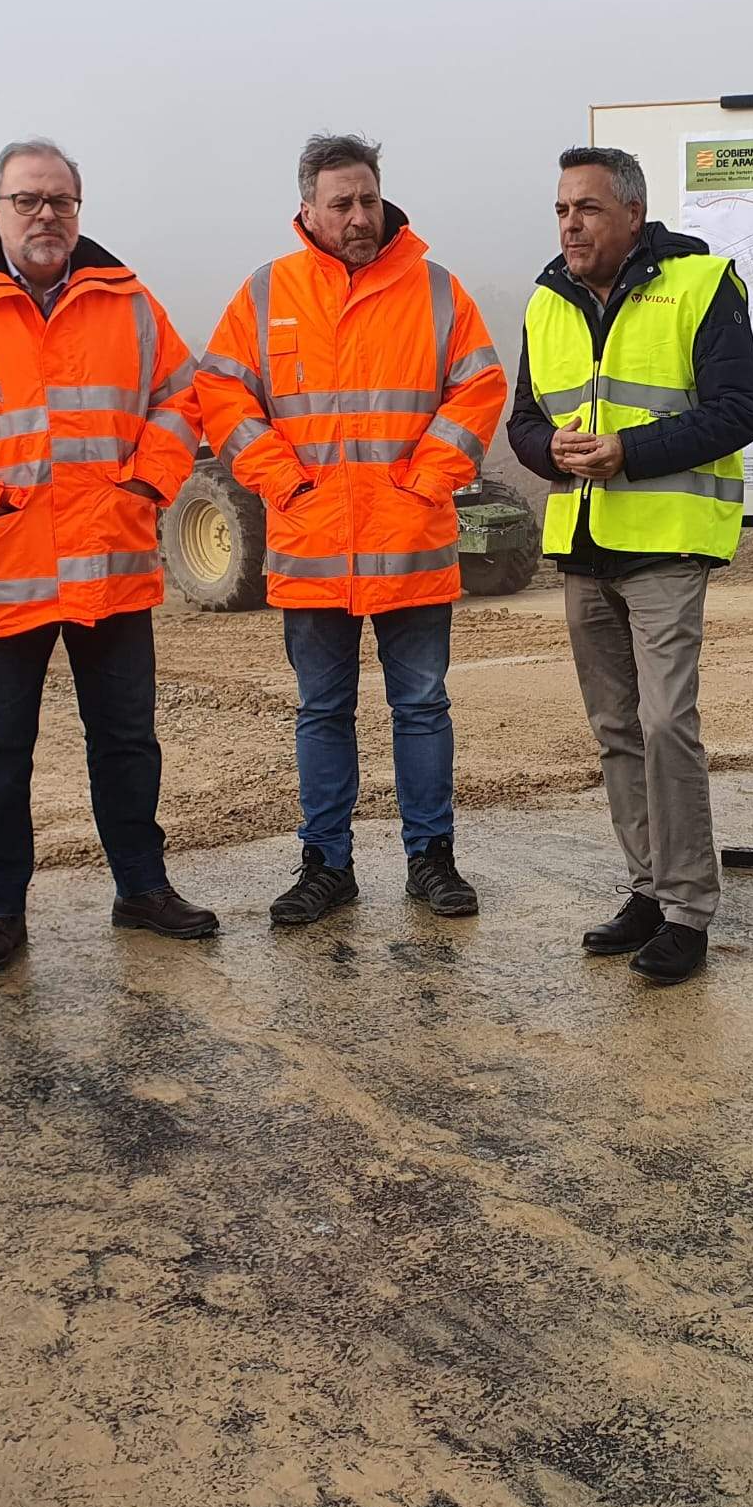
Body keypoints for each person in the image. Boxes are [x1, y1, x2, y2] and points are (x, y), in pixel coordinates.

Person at [0, 139, 216, 976]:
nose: (46, 214)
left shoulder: (127, 302)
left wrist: (145, 487)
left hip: (110, 566)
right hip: (0, 571)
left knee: (127, 742)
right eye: (28, 200)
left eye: (61, 200)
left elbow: (182, 396)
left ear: (78, 210)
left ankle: (141, 887)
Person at [197, 133, 505, 926]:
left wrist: (424, 481)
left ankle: (431, 860)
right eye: (342, 203)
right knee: (321, 712)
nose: (359, 216)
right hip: (311, 542)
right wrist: (285, 481)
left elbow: (478, 387)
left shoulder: (435, 290)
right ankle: (326, 866)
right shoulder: (268, 294)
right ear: (307, 209)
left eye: (368, 198)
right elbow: (223, 398)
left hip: (409, 541)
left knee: (422, 706)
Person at [505, 146, 753, 986]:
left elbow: (737, 412)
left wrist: (629, 452)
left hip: (665, 545)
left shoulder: (703, 283)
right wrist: (553, 450)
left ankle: (689, 909)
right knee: (616, 732)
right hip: (582, 546)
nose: (569, 225)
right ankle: (647, 888)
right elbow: (522, 424)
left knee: (664, 725)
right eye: (559, 211)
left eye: (586, 209)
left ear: (632, 214)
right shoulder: (547, 300)